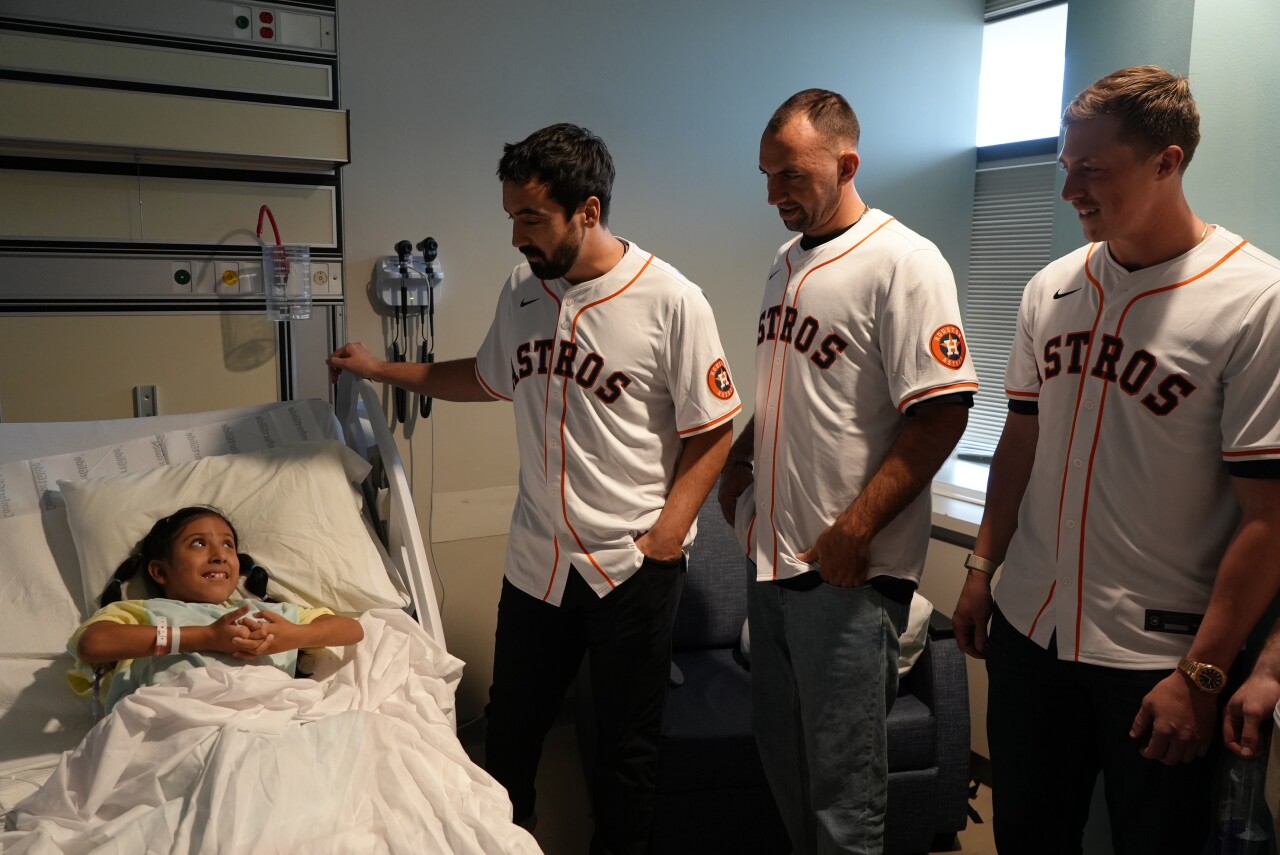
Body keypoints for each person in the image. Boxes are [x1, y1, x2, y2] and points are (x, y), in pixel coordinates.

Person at [327, 122, 740, 854]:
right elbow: (485, 377)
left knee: (625, 750)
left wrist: (669, 533)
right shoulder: (524, 289)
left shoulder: (672, 300)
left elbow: (715, 429)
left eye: (531, 218)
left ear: (588, 210)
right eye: (512, 215)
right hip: (536, 566)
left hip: (629, 568)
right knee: (509, 736)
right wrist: (382, 369)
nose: (517, 235)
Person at [951, 65, 1280, 854]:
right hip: (1030, 633)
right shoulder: (1050, 285)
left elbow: (1269, 517)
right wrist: (980, 568)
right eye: (1066, 166)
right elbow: (1020, 442)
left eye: (1091, 169)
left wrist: (1203, 674)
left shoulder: (1254, 299)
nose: (1069, 190)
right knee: (1027, 835)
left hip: (1158, 658)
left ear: (1167, 162)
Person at [718, 89, 976, 855]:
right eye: (767, 176)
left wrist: (857, 527)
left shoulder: (905, 261)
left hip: (847, 578)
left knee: (843, 799)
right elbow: (788, 387)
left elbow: (943, 412)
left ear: (847, 163)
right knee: (787, 774)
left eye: (790, 175)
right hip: (773, 565)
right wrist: (738, 458)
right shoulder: (784, 263)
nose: (774, 193)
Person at [70, 506, 364, 712]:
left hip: (262, 724)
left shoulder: (265, 614)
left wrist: (292, 637)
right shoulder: (142, 613)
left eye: (228, 545)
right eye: (198, 544)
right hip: (170, 726)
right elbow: (94, 643)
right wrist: (206, 637)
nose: (219, 556)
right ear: (160, 571)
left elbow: (352, 630)